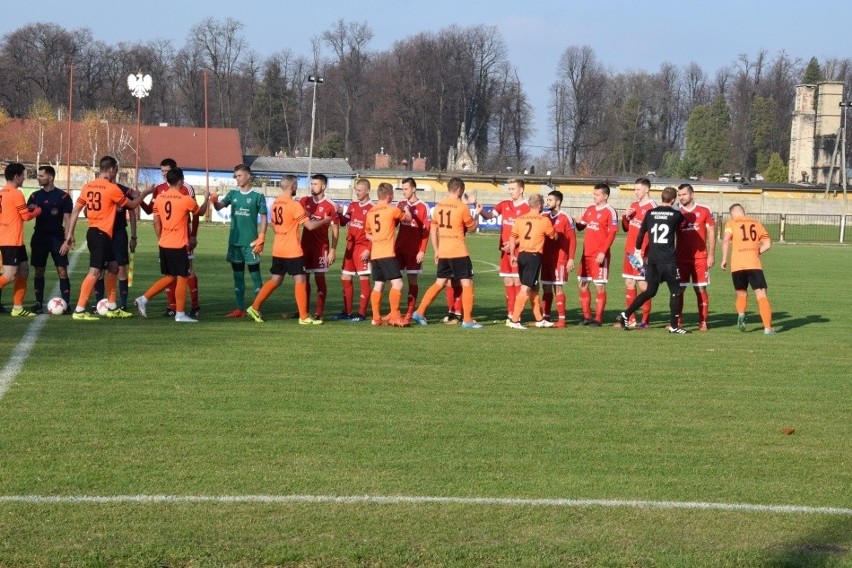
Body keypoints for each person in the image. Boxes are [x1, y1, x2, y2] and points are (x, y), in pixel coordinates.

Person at [59, 156, 150, 320]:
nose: (116, 172)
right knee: (95, 271)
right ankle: (80, 309)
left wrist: (70, 234)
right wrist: (145, 193)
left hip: (97, 232)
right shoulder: (111, 188)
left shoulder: (88, 186)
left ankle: (113, 307)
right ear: (112, 169)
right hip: (101, 234)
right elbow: (132, 205)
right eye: (116, 170)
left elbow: (76, 210)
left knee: (114, 267)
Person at [246, 176, 331, 324]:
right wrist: (325, 220)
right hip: (292, 249)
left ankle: (254, 307)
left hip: (278, 248)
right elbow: (309, 226)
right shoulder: (294, 205)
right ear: (292, 186)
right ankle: (304, 317)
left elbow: (273, 225)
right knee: (301, 279)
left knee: (276, 279)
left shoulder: (275, 203)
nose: (297, 187)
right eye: (296, 185)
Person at [134, 167, 209, 322]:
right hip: (178, 244)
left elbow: (156, 220)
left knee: (170, 277)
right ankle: (180, 314)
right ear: (181, 181)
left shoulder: (160, 198)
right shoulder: (184, 199)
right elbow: (200, 213)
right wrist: (207, 198)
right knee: (183, 276)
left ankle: (144, 298)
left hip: (164, 242)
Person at [411, 177, 482, 329]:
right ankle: (467, 320)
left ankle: (419, 312)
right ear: (459, 190)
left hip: (443, 251)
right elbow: (472, 228)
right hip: (458, 252)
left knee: (439, 283)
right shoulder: (461, 207)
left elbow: (433, 230)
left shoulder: (438, 206)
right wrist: (476, 213)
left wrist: (437, 250)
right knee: (467, 283)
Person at [617, 186, 689, 334]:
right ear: (673, 199)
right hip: (668, 259)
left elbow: (641, 232)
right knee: (675, 291)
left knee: (650, 291)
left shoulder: (650, 213)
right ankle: (674, 326)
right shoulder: (676, 214)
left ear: (662, 198)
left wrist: (637, 251)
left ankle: (625, 314)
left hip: (653, 259)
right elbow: (685, 225)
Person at [210, 164, 268, 318]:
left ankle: (257, 308)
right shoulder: (232, 194)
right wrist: (214, 201)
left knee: (256, 277)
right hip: (235, 243)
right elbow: (219, 207)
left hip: (251, 244)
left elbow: (263, 217)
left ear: (249, 176)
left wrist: (261, 237)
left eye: (239, 175)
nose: (237, 178)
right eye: (235, 176)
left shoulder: (257, 195)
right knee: (238, 278)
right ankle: (240, 309)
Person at [476, 178, 529, 321]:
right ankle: (510, 313)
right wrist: (481, 211)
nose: (511, 191)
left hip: (519, 252)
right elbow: (489, 216)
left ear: (521, 189)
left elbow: (529, 233)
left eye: (513, 189)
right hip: (504, 251)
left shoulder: (527, 208)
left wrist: (514, 243)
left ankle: (518, 315)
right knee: (507, 282)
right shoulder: (504, 205)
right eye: (509, 189)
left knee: (518, 282)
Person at [720, 203, 776, 335]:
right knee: (761, 294)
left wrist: (724, 259)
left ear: (732, 214)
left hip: (737, 265)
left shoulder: (731, 223)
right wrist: (756, 252)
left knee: (741, 293)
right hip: (753, 263)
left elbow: (726, 240)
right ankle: (767, 328)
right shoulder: (756, 223)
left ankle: (741, 314)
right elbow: (767, 244)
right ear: (743, 212)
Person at [506, 194, 557, 329]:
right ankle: (515, 320)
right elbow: (554, 236)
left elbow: (512, 238)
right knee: (525, 288)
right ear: (540, 205)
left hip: (521, 255)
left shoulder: (520, 219)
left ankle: (539, 319)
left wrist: (512, 255)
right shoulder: (543, 220)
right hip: (533, 257)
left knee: (534, 287)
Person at [26, 165, 73, 313]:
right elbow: (27, 215)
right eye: (38, 176)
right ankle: (38, 304)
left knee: (62, 270)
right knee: (39, 271)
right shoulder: (34, 196)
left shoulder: (63, 197)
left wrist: (67, 240)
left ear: (50, 177)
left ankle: (66, 304)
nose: (38, 178)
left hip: (57, 238)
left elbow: (67, 219)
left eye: (41, 176)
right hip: (39, 237)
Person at [365, 182, 412, 326]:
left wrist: (377, 239)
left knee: (378, 284)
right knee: (397, 283)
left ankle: (376, 318)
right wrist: (406, 209)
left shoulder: (370, 212)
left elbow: (367, 234)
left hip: (375, 254)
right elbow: (408, 220)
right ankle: (394, 316)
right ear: (389, 196)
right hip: (387, 253)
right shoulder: (392, 210)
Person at [0, 162, 42, 317]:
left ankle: (17, 308)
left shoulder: (3, 192)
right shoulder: (16, 193)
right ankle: (17, 308)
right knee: (9, 275)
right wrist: (37, 211)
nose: (24, 178)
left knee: (23, 270)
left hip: (13, 240)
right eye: (23, 175)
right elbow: (25, 216)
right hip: (10, 240)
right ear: (16, 176)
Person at [91, 177, 136, 316]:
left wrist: (134, 236)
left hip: (119, 234)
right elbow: (88, 211)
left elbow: (133, 213)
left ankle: (122, 305)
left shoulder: (123, 190)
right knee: (99, 269)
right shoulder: (97, 189)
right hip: (102, 233)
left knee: (119, 268)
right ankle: (99, 303)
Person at [575, 182, 618, 326]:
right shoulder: (590, 209)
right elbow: (582, 227)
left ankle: (598, 318)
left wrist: (602, 252)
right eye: (594, 194)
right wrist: (578, 222)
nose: (594, 196)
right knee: (583, 285)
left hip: (599, 256)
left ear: (605, 196)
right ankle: (587, 316)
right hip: (586, 254)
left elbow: (612, 233)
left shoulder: (610, 211)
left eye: (597, 194)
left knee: (599, 286)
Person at [675, 183, 716, 331]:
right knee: (679, 290)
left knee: (701, 289)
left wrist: (710, 254)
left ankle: (703, 321)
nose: (681, 197)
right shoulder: (676, 212)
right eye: (679, 195)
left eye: (684, 194)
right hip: (680, 258)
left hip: (700, 258)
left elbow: (711, 232)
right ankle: (678, 321)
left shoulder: (704, 210)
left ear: (692, 194)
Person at [299, 173, 340, 322]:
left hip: (321, 247)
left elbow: (335, 229)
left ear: (323, 186)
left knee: (319, 279)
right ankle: (304, 311)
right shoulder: (304, 201)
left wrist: (333, 250)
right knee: (303, 279)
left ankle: (319, 312)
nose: (312, 186)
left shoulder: (330, 206)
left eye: (315, 184)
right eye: (311, 183)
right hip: (304, 247)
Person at [619, 178, 656, 329]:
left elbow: (654, 233)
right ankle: (631, 318)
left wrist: (648, 253)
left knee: (643, 286)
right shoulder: (633, 205)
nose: (636, 192)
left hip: (642, 254)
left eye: (638, 189)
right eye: (635, 189)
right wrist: (625, 217)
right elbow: (626, 228)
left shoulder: (652, 207)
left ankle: (645, 320)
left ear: (646, 190)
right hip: (629, 252)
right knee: (629, 283)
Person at [334, 178, 372, 322]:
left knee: (364, 278)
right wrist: (338, 213)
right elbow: (344, 222)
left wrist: (369, 249)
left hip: (363, 246)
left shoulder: (372, 208)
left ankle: (361, 314)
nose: (357, 193)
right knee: (345, 277)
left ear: (367, 191)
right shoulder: (353, 205)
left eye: (359, 190)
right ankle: (347, 312)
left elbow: (375, 232)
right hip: (350, 246)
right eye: (356, 190)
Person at [395, 177, 430, 320]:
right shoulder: (400, 204)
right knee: (394, 280)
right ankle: (394, 312)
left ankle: (409, 313)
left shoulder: (423, 207)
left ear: (413, 189)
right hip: (399, 249)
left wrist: (422, 250)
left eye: (406, 189)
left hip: (413, 250)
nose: (404, 192)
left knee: (412, 280)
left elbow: (426, 231)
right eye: (402, 189)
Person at [540, 190, 576, 327]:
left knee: (558, 287)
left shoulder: (566, 217)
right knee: (546, 287)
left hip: (560, 258)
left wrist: (571, 258)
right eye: (547, 200)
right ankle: (546, 318)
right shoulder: (544, 216)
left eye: (550, 200)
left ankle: (562, 319)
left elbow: (572, 239)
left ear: (558, 202)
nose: (547, 202)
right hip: (546, 258)